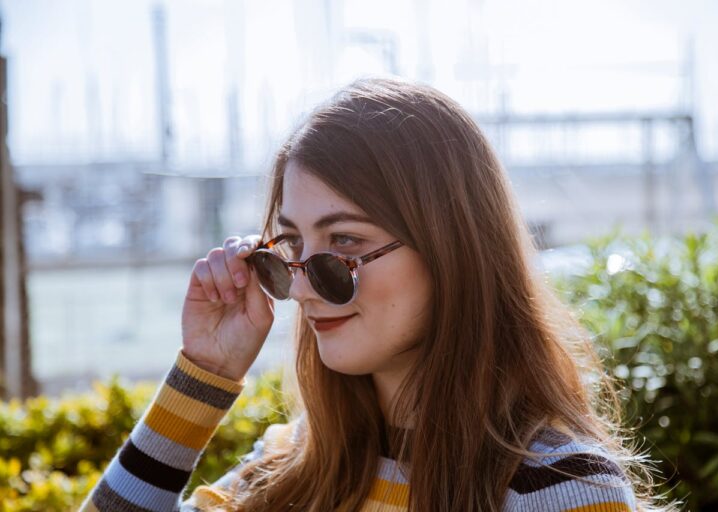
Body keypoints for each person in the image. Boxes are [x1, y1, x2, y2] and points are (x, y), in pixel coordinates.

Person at [80, 77, 668, 511]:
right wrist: (205, 371)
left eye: (343, 245)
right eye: (286, 251)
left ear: (450, 249)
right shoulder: (292, 461)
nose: (305, 285)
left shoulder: (560, 490)